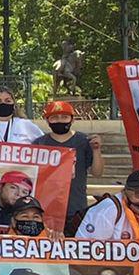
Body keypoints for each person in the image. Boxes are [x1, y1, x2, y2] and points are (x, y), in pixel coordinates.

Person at [36, 100, 102, 234]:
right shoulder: (40, 143)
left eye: (64, 117)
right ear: (47, 121)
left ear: (72, 119)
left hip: (75, 205)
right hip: (47, 207)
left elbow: (97, 172)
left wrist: (96, 150)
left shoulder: (83, 141)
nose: (60, 121)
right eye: (54, 118)